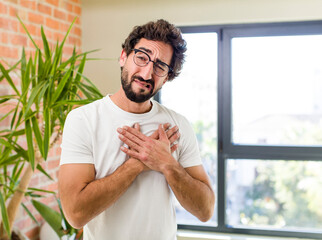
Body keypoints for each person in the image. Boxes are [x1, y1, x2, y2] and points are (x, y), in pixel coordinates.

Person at [58, 19, 215, 240]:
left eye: (160, 66)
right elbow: (75, 214)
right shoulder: (83, 120)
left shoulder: (178, 126)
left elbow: (205, 210)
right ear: (124, 56)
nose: (147, 72)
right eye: (142, 57)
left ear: (167, 77)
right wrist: (137, 164)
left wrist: (167, 164)